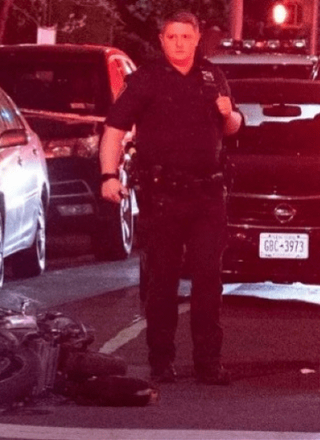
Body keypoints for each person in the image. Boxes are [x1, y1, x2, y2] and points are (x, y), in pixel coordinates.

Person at [99, 11, 242, 385]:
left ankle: (209, 362)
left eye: (186, 36)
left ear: (197, 39)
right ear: (162, 40)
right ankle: (161, 361)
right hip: (162, 195)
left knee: (208, 281)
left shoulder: (212, 76)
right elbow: (114, 129)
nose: (179, 43)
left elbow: (232, 127)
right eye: (172, 37)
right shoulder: (146, 79)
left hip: (208, 194)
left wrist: (229, 114)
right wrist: (109, 176)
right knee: (162, 281)